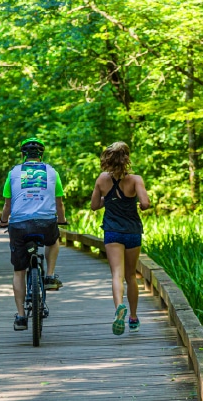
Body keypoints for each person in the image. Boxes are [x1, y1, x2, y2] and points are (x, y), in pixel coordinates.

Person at [0, 137, 67, 331]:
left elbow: (8, 205)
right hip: (46, 222)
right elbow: (59, 203)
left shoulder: (13, 173)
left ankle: (21, 316)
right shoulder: (52, 172)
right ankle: (50, 276)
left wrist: (4, 221)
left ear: (23, 155)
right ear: (41, 155)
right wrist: (60, 219)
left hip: (19, 225)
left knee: (19, 272)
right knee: (53, 241)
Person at [90, 141, 150, 335]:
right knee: (131, 276)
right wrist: (140, 204)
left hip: (112, 232)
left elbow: (94, 205)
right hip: (132, 232)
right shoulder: (135, 180)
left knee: (117, 274)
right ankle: (133, 317)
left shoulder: (102, 179)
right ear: (126, 159)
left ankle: (119, 308)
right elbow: (145, 203)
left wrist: (107, 199)